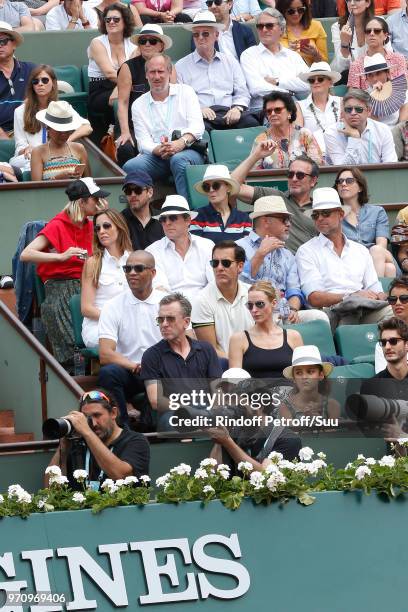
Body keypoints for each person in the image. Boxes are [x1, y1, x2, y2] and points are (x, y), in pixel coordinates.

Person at [20, 178, 109, 367]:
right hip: (61, 285)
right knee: (65, 308)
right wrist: (61, 256)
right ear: (82, 202)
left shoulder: (92, 225)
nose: (99, 203)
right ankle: (77, 365)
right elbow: (26, 254)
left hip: (88, 282)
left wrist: (105, 214)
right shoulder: (58, 224)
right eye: (95, 199)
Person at [296, 187, 392, 330]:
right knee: (349, 311)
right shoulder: (306, 251)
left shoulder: (360, 250)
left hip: (364, 308)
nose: (320, 218)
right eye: (315, 215)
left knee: (394, 312)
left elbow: (374, 287)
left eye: (326, 213)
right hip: (331, 312)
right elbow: (314, 298)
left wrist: (382, 296)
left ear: (341, 214)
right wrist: (350, 296)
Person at [123, 54, 205, 201]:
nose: (156, 76)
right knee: (131, 166)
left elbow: (198, 127)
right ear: (146, 75)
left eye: (160, 71)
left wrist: (180, 143)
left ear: (169, 72)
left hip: (187, 150)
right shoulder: (138, 104)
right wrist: (159, 150)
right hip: (157, 156)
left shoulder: (185, 92)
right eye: (152, 72)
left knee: (178, 160)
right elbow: (143, 142)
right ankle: (144, 214)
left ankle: (188, 211)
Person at [236, 196, 330, 324]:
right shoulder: (238, 247)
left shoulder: (287, 255)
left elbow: (294, 290)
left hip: (281, 314)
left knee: (318, 317)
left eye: (289, 219)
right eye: (284, 219)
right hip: (251, 313)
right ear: (266, 221)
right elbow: (237, 285)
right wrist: (260, 254)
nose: (289, 224)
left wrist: (293, 309)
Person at [97, 250, 165, 423]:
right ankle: (121, 428)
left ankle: (153, 427)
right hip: (130, 370)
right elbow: (105, 354)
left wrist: (152, 366)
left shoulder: (167, 303)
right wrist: (135, 366)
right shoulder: (112, 306)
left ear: (153, 273)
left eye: (138, 268)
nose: (132, 273)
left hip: (161, 371)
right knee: (108, 373)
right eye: (128, 269)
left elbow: (182, 342)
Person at [140, 292, 222, 431]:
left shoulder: (206, 349)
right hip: (174, 414)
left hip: (206, 410)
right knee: (173, 421)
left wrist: (212, 413)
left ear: (186, 322)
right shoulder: (151, 355)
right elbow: (155, 400)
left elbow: (218, 390)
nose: (164, 324)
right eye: (160, 319)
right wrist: (190, 412)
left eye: (170, 319)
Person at [46, 389, 150, 490]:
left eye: (97, 415)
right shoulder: (78, 442)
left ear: (113, 413)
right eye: (87, 418)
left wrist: (88, 433)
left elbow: (122, 475)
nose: (93, 423)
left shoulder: (135, 440)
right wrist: (64, 446)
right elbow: (51, 489)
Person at [176, 11, 258, 131]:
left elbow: (242, 92)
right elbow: (180, 99)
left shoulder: (230, 61)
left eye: (205, 34)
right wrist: (198, 109)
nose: (200, 38)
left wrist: (237, 108)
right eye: (196, 34)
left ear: (216, 35)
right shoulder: (181, 66)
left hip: (229, 112)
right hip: (201, 116)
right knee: (198, 130)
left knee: (252, 123)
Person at [231, 149, 319, 253]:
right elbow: (231, 186)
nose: (294, 179)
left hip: (308, 265)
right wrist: (256, 156)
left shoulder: (321, 211)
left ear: (313, 181)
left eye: (300, 175)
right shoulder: (274, 198)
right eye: (290, 174)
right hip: (274, 262)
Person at [10, 65, 91, 172]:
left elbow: (87, 127)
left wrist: (65, 142)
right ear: (32, 86)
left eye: (44, 80)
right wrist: (26, 149)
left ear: (53, 83)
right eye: (36, 81)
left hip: (58, 153)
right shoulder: (20, 111)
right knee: (21, 163)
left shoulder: (62, 107)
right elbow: (20, 145)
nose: (40, 84)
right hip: (31, 157)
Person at [116, 23, 173, 167]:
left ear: (161, 46)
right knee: (126, 148)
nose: (147, 44)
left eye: (152, 41)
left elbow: (174, 99)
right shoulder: (128, 67)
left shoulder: (169, 66)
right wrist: (125, 132)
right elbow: (122, 102)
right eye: (143, 41)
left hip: (163, 123)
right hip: (134, 125)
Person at [146, 195, 215, 302]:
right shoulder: (152, 251)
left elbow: (214, 282)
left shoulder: (207, 245)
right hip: (170, 309)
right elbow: (160, 288)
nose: (167, 223)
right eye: (163, 219)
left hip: (206, 306)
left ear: (187, 220)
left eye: (173, 218)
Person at [191, 240, 253, 358]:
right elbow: (211, 350)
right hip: (222, 366)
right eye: (215, 263)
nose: (219, 268)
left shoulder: (252, 294)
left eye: (226, 263)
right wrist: (239, 364)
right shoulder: (201, 300)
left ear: (240, 266)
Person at [228, 280, 303, 377]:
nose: (254, 310)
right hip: (254, 392)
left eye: (260, 304)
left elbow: (303, 377)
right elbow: (234, 383)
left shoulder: (293, 337)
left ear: (274, 303)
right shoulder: (238, 339)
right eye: (250, 305)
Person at [240, 8, 310, 111]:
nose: (264, 30)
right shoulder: (248, 55)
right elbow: (257, 88)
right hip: (264, 110)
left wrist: (278, 82)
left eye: (269, 25)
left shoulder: (293, 56)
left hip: (295, 108)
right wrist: (290, 92)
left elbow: (308, 83)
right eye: (260, 26)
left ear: (281, 29)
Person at [81, 209, 132, 349]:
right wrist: (118, 320)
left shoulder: (133, 259)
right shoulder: (93, 263)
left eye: (106, 226)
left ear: (119, 227)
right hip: (99, 326)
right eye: (97, 228)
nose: (101, 231)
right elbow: (86, 308)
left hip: (131, 325)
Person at [334, 166, 396, 278]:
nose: (343, 184)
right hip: (350, 263)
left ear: (360, 187)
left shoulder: (377, 211)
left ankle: (373, 293)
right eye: (340, 181)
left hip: (376, 257)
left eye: (349, 181)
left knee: (377, 250)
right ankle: (380, 294)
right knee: (389, 269)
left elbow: (382, 246)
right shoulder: (334, 216)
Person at [87, 3, 137, 139]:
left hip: (124, 86)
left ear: (125, 21)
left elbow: (134, 72)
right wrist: (123, 86)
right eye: (108, 20)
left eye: (116, 19)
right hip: (100, 88)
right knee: (122, 97)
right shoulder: (97, 43)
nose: (111, 22)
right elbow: (109, 73)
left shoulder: (133, 45)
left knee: (131, 95)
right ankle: (119, 136)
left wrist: (121, 87)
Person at [324, 88, 398, 164]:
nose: (353, 113)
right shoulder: (332, 133)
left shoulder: (383, 130)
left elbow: (390, 165)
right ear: (343, 112)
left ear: (369, 111)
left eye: (358, 109)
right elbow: (342, 169)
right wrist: (354, 137)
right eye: (348, 109)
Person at [251, 91, 324, 169]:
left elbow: (317, 165)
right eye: (269, 111)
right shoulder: (261, 140)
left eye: (277, 110)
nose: (272, 114)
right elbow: (254, 171)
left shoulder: (304, 134)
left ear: (289, 112)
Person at [30, 100, 90, 181]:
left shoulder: (79, 148)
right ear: (48, 128)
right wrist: (58, 178)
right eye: (59, 130)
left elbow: (89, 182)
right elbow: (36, 189)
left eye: (67, 130)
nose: (63, 134)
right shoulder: (38, 152)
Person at [190, 164, 251, 243]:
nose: (211, 190)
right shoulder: (196, 217)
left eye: (216, 185)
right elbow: (196, 250)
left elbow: (248, 250)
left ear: (228, 187)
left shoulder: (244, 218)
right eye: (206, 187)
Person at [280, 344, 340, 420]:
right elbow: (290, 432)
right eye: (299, 373)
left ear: (321, 375)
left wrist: (317, 420)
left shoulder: (332, 405)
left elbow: (333, 431)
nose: (304, 377)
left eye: (310, 371)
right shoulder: (285, 407)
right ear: (294, 379)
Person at [347, 16, 407, 90]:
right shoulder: (356, 65)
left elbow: (404, 87)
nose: (372, 34)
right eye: (368, 31)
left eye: (377, 31)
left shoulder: (398, 59)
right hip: (367, 100)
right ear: (365, 35)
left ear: (385, 35)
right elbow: (352, 95)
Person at [298, 61, 342, 158]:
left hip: (340, 154)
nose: (316, 82)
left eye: (320, 79)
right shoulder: (299, 106)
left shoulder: (341, 102)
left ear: (330, 82)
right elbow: (298, 135)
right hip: (313, 158)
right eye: (312, 80)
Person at [0, 23, 35, 139]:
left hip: (30, 130)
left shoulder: (31, 69)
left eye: (3, 41)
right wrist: (4, 138)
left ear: (14, 44)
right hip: (3, 134)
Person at [361, 317, 408, 397]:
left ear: (406, 344)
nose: (387, 347)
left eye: (393, 341)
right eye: (383, 342)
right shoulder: (370, 387)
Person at [120, 169, 164, 250]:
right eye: (128, 191)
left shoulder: (163, 219)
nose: (133, 195)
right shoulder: (119, 220)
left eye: (138, 190)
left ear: (150, 192)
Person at [330, 0, 375, 77]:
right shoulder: (337, 27)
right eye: (348, 0)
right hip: (349, 76)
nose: (352, 3)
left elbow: (386, 56)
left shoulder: (378, 24)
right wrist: (344, 44)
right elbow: (341, 67)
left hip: (375, 73)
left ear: (368, 3)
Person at [360, 54, 408, 126]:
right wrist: (374, 96)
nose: (374, 79)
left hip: (397, 131)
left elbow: (402, 122)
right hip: (377, 132)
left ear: (388, 73)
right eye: (370, 75)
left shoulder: (399, 89)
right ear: (366, 78)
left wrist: (397, 133)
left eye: (378, 73)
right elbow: (373, 125)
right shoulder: (363, 96)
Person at [276, 0, 328, 66]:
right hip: (284, 71)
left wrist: (316, 55)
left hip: (311, 72)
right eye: (291, 11)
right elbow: (269, 58)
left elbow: (324, 63)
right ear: (282, 10)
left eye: (300, 10)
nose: (296, 14)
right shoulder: (274, 28)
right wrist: (287, 52)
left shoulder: (316, 26)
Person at [375, 276, 408, 371]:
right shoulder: (386, 342)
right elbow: (383, 381)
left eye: (404, 298)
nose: (397, 303)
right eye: (393, 299)